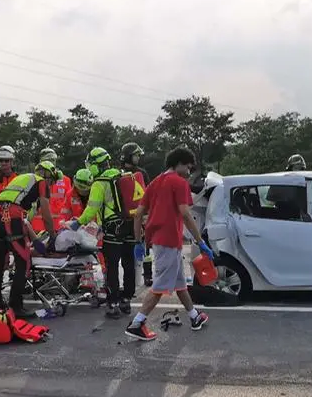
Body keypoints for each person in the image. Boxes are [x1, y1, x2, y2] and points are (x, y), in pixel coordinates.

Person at [126, 146, 214, 341]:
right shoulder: (179, 183)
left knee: (179, 282)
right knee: (159, 286)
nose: (189, 172)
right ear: (180, 164)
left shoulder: (155, 183)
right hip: (169, 240)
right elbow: (185, 213)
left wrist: (137, 241)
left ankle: (194, 317)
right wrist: (200, 241)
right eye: (189, 168)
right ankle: (137, 323)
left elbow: (139, 213)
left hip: (157, 240)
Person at [76, 146, 144, 319]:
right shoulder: (123, 175)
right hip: (130, 223)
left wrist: (77, 223)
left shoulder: (99, 183)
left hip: (113, 228)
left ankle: (112, 303)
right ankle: (126, 300)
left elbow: (92, 210)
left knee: (112, 267)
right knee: (129, 264)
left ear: (94, 165)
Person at [0, 160, 58, 319]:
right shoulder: (41, 182)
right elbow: (46, 214)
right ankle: (16, 306)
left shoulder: (23, 178)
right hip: (10, 216)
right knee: (23, 262)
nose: (51, 183)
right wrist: (52, 235)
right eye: (51, 179)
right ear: (47, 174)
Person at [120, 142, 154, 286]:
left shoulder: (141, 173)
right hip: (125, 217)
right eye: (136, 155)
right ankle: (130, 279)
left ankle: (147, 275)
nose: (138, 158)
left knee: (145, 248)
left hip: (141, 215)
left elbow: (148, 193)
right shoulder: (119, 173)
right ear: (129, 156)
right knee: (127, 250)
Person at [30, 148, 72, 234]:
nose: (51, 163)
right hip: (38, 226)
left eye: (53, 160)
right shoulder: (34, 179)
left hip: (60, 226)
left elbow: (69, 204)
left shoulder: (66, 180)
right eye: (48, 160)